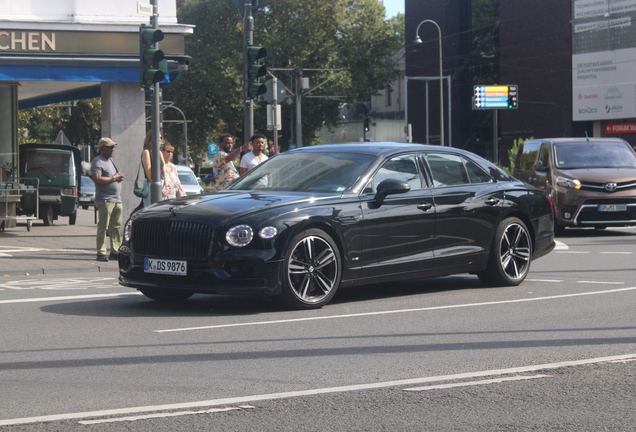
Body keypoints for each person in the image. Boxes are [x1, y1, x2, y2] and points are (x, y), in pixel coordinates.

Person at [91, 137, 124, 262]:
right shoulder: (97, 161)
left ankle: (115, 251)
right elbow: (98, 179)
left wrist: (118, 177)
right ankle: (101, 252)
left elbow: (112, 176)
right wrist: (115, 178)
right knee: (103, 227)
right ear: (102, 148)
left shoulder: (111, 161)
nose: (113, 149)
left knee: (115, 227)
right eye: (110, 147)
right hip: (105, 200)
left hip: (116, 199)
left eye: (113, 147)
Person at [141, 129, 166, 207]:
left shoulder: (159, 153)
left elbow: (164, 170)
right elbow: (149, 174)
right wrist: (158, 189)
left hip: (162, 183)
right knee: (151, 208)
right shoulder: (146, 152)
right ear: (150, 139)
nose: (159, 140)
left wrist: (166, 186)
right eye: (157, 137)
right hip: (151, 183)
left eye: (160, 138)